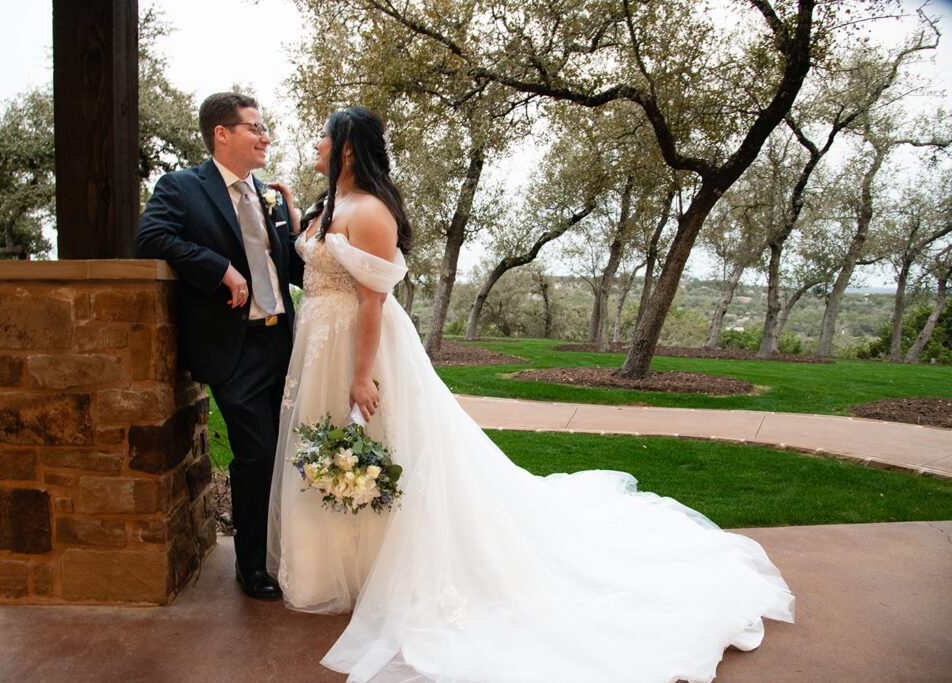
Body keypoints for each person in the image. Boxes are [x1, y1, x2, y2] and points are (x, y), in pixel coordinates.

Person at [268, 107, 794, 682]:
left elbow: (371, 302)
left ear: (347, 147)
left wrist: (361, 375)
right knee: (334, 448)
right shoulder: (330, 205)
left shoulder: (370, 211)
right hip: (318, 343)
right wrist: (297, 208)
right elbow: (316, 258)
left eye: (324, 136)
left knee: (379, 449)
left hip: (357, 346)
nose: (316, 143)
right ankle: (342, 567)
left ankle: (385, 571)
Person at [135, 92, 303, 600]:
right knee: (257, 453)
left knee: (285, 454)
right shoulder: (183, 187)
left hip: (285, 341)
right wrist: (219, 268)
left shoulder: (268, 194)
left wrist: (294, 222)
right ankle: (251, 566)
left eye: (265, 127)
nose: (265, 136)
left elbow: (291, 270)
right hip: (237, 348)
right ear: (221, 134)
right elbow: (150, 238)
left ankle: (281, 551)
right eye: (254, 127)